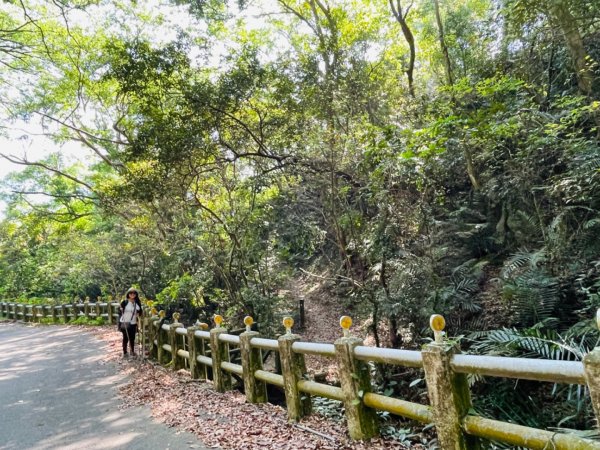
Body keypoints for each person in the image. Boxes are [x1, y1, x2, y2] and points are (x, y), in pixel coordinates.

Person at [119, 287, 143, 357]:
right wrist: (120, 309)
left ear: (136, 294)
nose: (132, 294)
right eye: (131, 293)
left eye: (134, 293)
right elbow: (119, 311)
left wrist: (139, 313)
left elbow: (140, 311)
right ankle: (125, 352)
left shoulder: (137, 302)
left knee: (132, 338)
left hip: (133, 322)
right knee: (125, 337)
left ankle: (132, 351)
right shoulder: (125, 302)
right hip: (125, 322)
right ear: (128, 294)